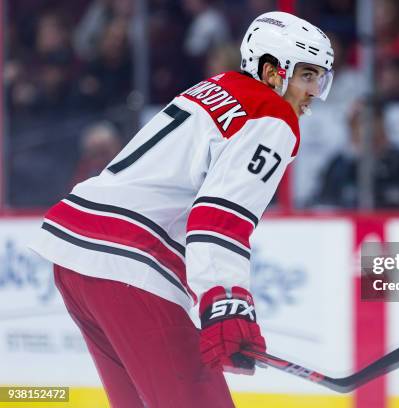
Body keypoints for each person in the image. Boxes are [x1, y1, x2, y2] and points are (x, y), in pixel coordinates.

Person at [30, 11, 334, 407]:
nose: (314, 91)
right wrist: (227, 303)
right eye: (307, 75)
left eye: (321, 78)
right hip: (127, 262)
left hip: (77, 255)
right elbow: (218, 217)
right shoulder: (272, 115)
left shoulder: (217, 86)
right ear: (272, 70)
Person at [316, 100, 399, 209]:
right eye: (362, 121)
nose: (370, 128)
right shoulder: (339, 166)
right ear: (352, 128)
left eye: (375, 119)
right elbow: (325, 206)